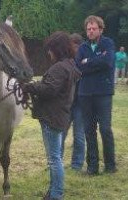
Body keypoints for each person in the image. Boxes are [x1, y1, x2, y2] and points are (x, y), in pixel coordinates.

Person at [21, 31, 81, 200]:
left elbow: (49, 89)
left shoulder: (59, 67)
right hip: (60, 116)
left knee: (54, 160)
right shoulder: (69, 65)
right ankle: (54, 191)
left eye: (50, 49)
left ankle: (56, 194)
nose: (48, 53)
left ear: (57, 49)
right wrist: (37, 85)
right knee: (55, 158)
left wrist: (29, 87)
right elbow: (52, 86)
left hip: (52, 118)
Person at [76, 15, 116, 175]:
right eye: (88, 29)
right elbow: (79, 67)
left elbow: (108, 62)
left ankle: (110, 165)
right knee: (89, 130)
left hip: (103, 93)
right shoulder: (82, 47)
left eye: (94, 28)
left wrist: (88, 62)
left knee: (105, 129)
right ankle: (92, 167)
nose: (91, 31)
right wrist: (96, 59)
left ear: (100, 29)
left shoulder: (108, 43)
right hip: (85, 94)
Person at [61, 33, 85, 171]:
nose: (71, 48)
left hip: (80, 102)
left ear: (78, 46)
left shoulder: (82, 60)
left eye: (73, 45)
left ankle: (77, 164)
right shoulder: (66, 60)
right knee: (61, 133)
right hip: (68, 103)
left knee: (79, 135)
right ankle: (57, 161)